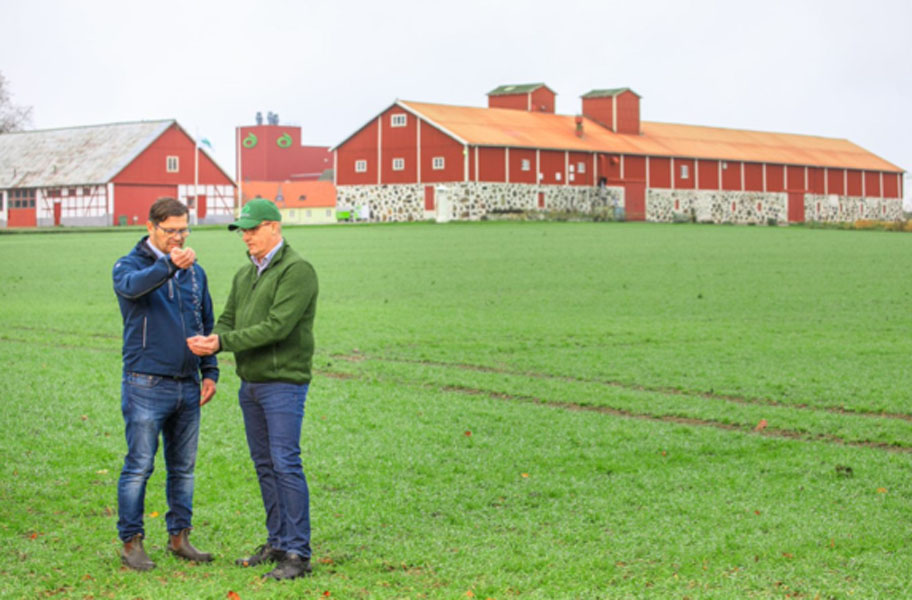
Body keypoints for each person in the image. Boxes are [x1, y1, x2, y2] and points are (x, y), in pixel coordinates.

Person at [187, 198, 319, 581]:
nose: (246, 236)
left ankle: (298, 553)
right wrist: (210, 338)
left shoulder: (297, 271)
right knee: (265, 465)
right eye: (242, 230)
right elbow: (228, 318)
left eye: (253, 228)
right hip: (252, 383)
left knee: (285, 463)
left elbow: (277, 326)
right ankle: (277, 542)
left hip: (283, 383)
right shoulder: (247, 275)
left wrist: (221, 344)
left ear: (274, 227)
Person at [112, 197, 218, 571]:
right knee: (139, 465)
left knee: (184, 468)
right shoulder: (129, 265)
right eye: (170, 230)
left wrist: (210, 371)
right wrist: (168, 265)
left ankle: (180, 538)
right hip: (145, 383)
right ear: (150, 227)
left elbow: (205, 321)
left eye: (183, 230)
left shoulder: (195, 271)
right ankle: (131, 543)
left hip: (187, 384)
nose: (178, 237)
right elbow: (132, 289)